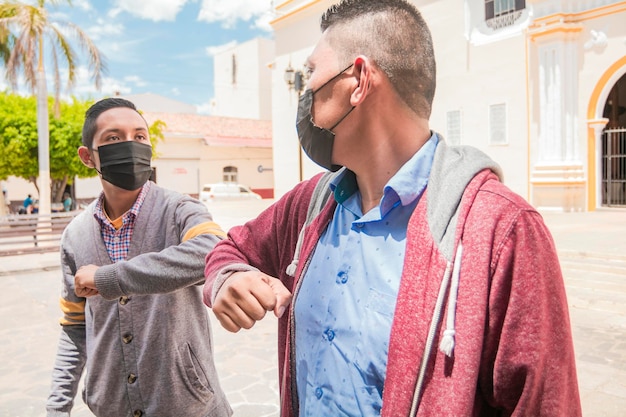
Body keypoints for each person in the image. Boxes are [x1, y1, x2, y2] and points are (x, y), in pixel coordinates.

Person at [203, 1, 582, 416]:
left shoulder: (502, 229)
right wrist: (227, 277)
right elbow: (231, 249)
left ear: (359, 80)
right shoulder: (312, 203)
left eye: (311, 73)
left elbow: (546, 404)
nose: (305, 90)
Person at [47, 98, 232, 417]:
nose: (130, 145)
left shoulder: (179, 210)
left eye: (140, 136)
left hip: (187, 405)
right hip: (112, 406)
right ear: (87, 157)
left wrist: (107, 278)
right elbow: (75, 327)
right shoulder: (75, 235)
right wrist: (57, 406)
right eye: (114, 138)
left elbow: (212, 249)